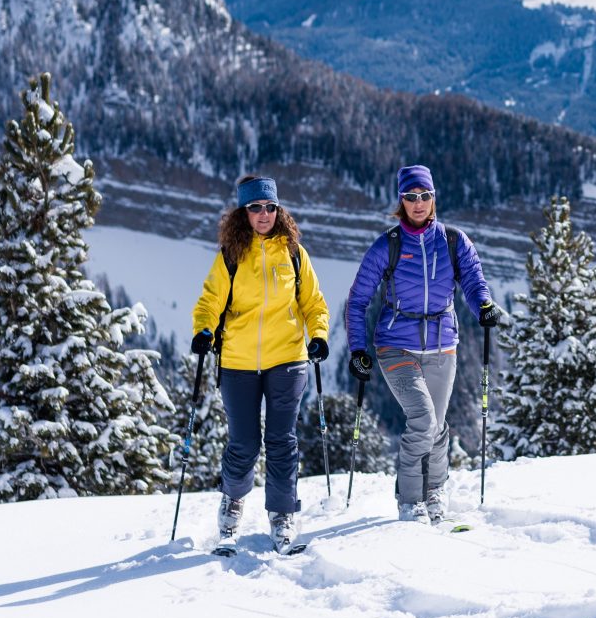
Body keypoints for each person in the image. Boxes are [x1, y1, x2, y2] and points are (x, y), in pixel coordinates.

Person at [345, 164, 508, 524]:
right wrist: (358, 349)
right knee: (422, 418)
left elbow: (473, 280)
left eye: (425, 196)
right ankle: (409, 500)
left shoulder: (453, 241)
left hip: (442, 344)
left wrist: (483, 304)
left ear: (434, 199)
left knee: (437, 426)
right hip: (395, 345)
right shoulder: (386, 246)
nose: (418, 203)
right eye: (410, 197)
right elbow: (357, 300)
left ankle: (435, 492)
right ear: (400, 201)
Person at [191, 175, 331, 550]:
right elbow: (209, 301)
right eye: (256, 208)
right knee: (244, 443)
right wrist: (204, 330)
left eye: (270, 207)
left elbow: (314, 304)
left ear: (278, 209)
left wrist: (318, 336)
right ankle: (233, 501)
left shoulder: (295, 254)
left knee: (282, 440)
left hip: (287, 358)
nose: (264, 214)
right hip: (237, 361)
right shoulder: (231, 255)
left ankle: (282, 515)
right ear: (244, 212)